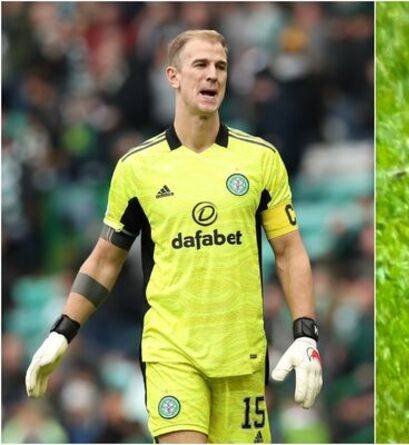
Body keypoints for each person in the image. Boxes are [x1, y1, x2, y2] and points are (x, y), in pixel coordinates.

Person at [24, 29, 322, 444]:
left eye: (220, 66)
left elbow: (290, 252)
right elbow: (105, 259)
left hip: (242, 354)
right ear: (173, 77)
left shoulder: (260, 160)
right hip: (172, 352)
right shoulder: (137, 168)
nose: (212, 75)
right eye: (200, 65)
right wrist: (62, 331)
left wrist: (305, 333)